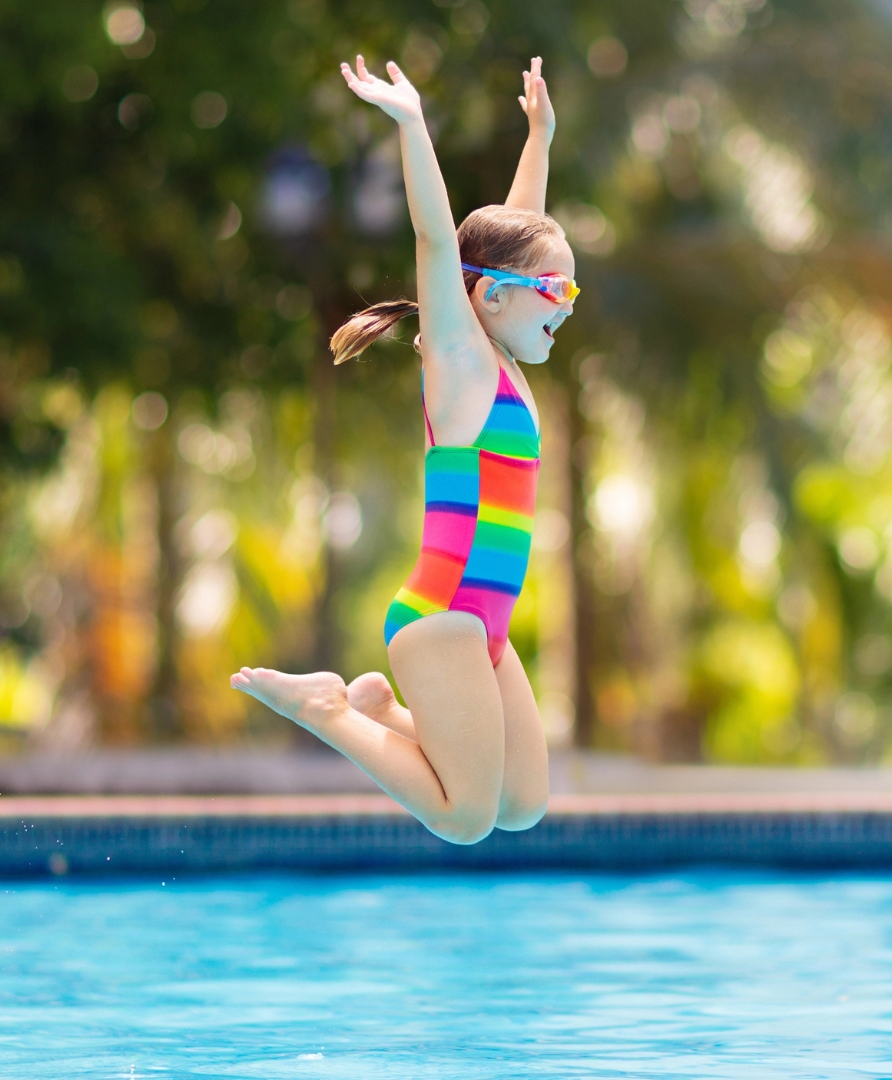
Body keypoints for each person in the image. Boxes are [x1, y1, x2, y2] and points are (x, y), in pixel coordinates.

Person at [232, 56, 577, 844]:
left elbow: (517, 237)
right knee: (463, 818)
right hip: (444, 615)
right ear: (490, 296)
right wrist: (412, 126)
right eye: (559, 292)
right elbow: (437, 237)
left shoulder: (505, 356)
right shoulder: (459, 367)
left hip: (486, 623)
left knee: (521, 804)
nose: (568, 305)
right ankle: (327, 709)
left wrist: (541, 140)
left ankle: (382, 711)